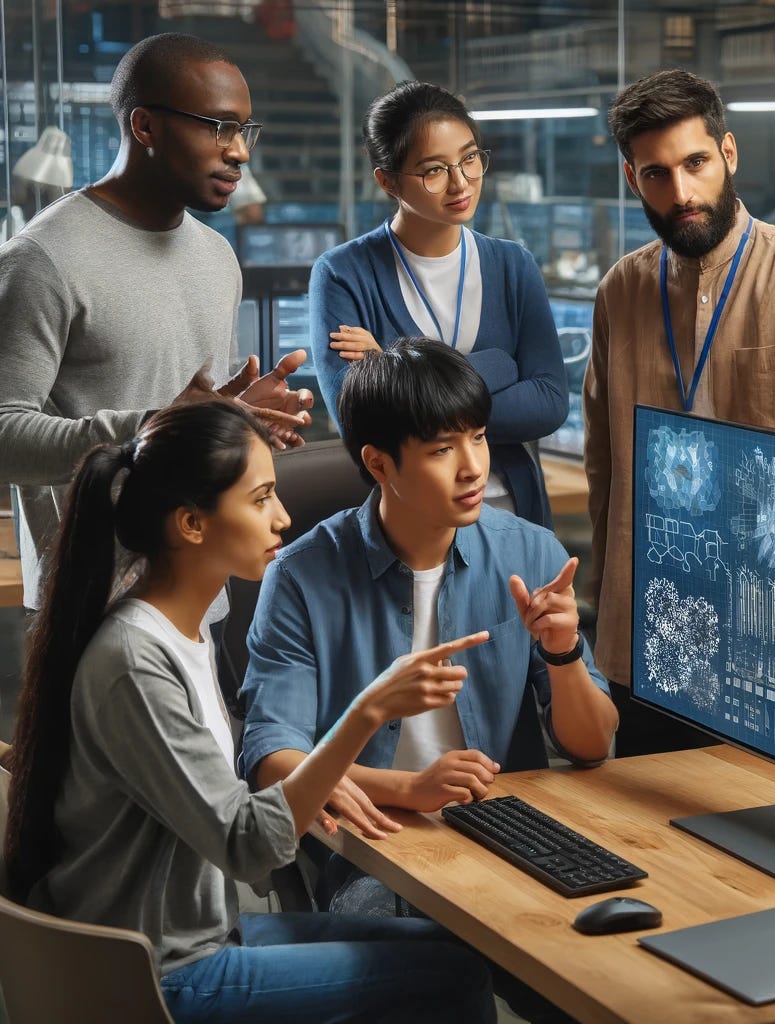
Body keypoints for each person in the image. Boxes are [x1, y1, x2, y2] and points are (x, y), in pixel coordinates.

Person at [2, 399, 497, 1024]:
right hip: (159, 975)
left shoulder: (182, 632)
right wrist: (366, 713)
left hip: (201, 939)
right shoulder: (135, 660)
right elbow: (246, 844)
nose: (283, 517)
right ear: (192, 524)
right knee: (451, 978)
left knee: (454, 953)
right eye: (261, 498)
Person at [583, 68, 775, 755]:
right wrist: (605, 596)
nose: (682, 192)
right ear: (633, 179)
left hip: (772, 620)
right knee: (652, 828)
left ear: (728, 153)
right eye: (657, 174)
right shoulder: (621, 291)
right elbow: (603, 460)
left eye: (695, 163)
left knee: (761, 831)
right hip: (652, 619)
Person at [241, 337, 616, 862]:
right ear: (379, 465)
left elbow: (593, 745)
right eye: (442, 449)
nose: (473, 468)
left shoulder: (530, 551)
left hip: (510, 839)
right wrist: (408, 789)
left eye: (479, 438)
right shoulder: (302, 577)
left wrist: (564, 650)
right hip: (371, 854)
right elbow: (272, 761)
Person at [0, 32, 314, 610]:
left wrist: (237, 418)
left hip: (202, 593)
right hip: (88, 602)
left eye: (244, 130)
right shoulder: (42, 259)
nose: (240, 151)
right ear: (144, 127)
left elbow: (188, 420)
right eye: (218, 126)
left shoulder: (217, 258)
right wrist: (147, 426)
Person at [309, 81, 568, 529]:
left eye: (469, 158)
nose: (461, 182)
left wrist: (398, 372)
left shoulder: (512, 265)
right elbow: (364, 430)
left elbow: (548, 402)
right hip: (409, 527)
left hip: (515, 514)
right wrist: (500, 367)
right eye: (433, 170)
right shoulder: (342, 274)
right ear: (386, 180)